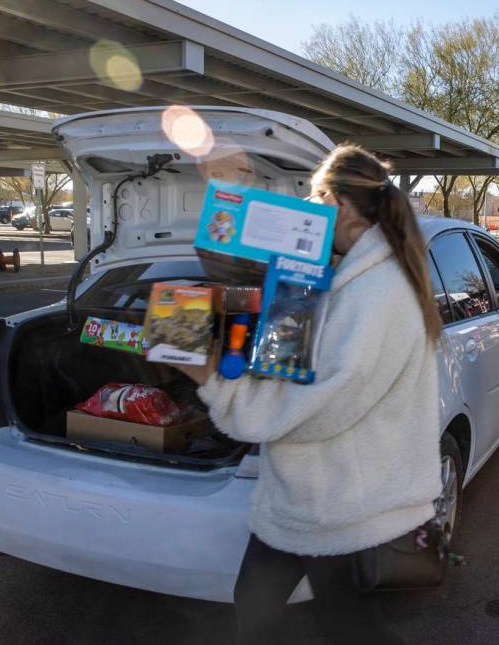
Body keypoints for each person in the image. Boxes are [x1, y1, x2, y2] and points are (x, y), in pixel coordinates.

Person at [179, 144, 443, 644]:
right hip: (308, 500)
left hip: (342, 508)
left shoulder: (379, 291)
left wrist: (215, 382)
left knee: (333, 627)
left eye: (316, 197)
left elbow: (325, 403)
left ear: (341, 205)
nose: (311, 209)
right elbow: (305, 365)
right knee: (265, 612)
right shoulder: (353, 277)